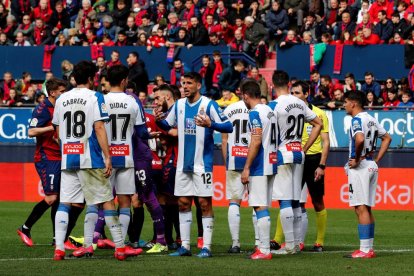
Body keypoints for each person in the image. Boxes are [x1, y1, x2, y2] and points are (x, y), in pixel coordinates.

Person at [52, 61, 126, 261]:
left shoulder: (61, 98)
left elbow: (57, 132)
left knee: (65, 203)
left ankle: (59, 249)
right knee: (107, 201)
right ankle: (120, 248)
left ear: (74, 77)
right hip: (90, 158)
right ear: (92, 78)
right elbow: (99, 127)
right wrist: (108, 156)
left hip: (68, 157)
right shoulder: (96, 97)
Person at [155, 72, 232, 258]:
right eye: (183, 83)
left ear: (198, 85)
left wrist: (210, 124)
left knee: (204, 204)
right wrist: (159, 120)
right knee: (183, 203)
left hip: (202, 165)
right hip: (183, 164)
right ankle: (186, 247)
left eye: (189, 83)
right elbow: (167, 124)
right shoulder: (179, 105)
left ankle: (206, 246)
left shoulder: (208, 105)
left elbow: (229, 126)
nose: (185, 86)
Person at [17, 78, 79, 249]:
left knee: (59, 199)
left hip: (60, 156)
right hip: (47, 158)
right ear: (52, 93)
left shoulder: (61, 107)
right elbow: (31, 131)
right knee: (52, 197)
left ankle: (56, 238)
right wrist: (53, 127)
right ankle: (25, 228)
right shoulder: (43, 108)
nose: (64, 94)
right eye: (61, 91)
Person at [269, 70, 322, 255]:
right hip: (299, 153)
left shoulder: (273, 105)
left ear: (273, 85)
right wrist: (305, 147)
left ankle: (290, 245)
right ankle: (297, 243)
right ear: (289, 85)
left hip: (283, 154)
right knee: (296, 201)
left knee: (284, 201)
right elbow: (318, 123)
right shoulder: (300, 103)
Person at [104, 65, 149, 256]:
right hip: (126, 156)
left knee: (104, 201)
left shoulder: (100, 100)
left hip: (105, 158)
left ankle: (91, 243)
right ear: (124, 81)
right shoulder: (132, 101)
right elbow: (141, 133)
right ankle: (121, 246)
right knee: (124, 202)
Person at [343, 91, 392, 258]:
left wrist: (356, 159)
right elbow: (387, 138)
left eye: (346, 102)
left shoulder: (357, 120)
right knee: (367, 208)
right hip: (371, 164)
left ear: (353, 103)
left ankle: (364, 250)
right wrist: (376, 159)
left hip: (361, 167)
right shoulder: (371, 119)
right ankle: (368, 248)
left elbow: (359, 139)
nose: (344, 105)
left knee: (360, 207)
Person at [240, 79, 278, 260]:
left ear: (246, 96)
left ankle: (264, 250)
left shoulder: (255, 113)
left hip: (260, 164)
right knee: (263, 205)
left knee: (259, 206)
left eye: (243, 97)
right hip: (272, 161)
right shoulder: (270, 111)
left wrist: (246, 167)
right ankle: (263, 248)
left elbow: (255, 140)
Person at [290, 81, 330, 252]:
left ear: (306, 94)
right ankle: (277, 239)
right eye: (292, 93)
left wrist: (322, 165)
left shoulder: (319, 114)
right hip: (294, 158)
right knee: (289, 199)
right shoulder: (290, 112)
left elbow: (326, 142)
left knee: (317, 201)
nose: (294, 96)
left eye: (297, 93)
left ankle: (319, 241)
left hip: (313, 160)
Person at [221, 90, 250, 253]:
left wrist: (227, 162)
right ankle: (259, 243)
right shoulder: (257, 108)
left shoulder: (229, 110)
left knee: (234, 201)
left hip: (234, 159)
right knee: (257, 204)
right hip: (254, 160)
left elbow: (224, 141)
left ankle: (235, 244)